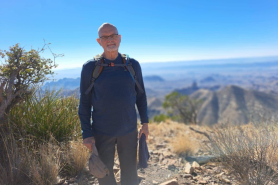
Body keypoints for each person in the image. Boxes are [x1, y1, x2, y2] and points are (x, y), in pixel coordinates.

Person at [78, 23, 149, 185]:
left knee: (130, 173)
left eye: (113, 36)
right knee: (104, 175)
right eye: (105, 37)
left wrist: (145, 123)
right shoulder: (91, 67)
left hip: (129, 130)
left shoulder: (132, 65)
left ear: (119, 38)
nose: (110, 40)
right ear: (99, 41)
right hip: (102, 132)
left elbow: (141, 95)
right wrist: (86, 133)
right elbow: (84, 103)